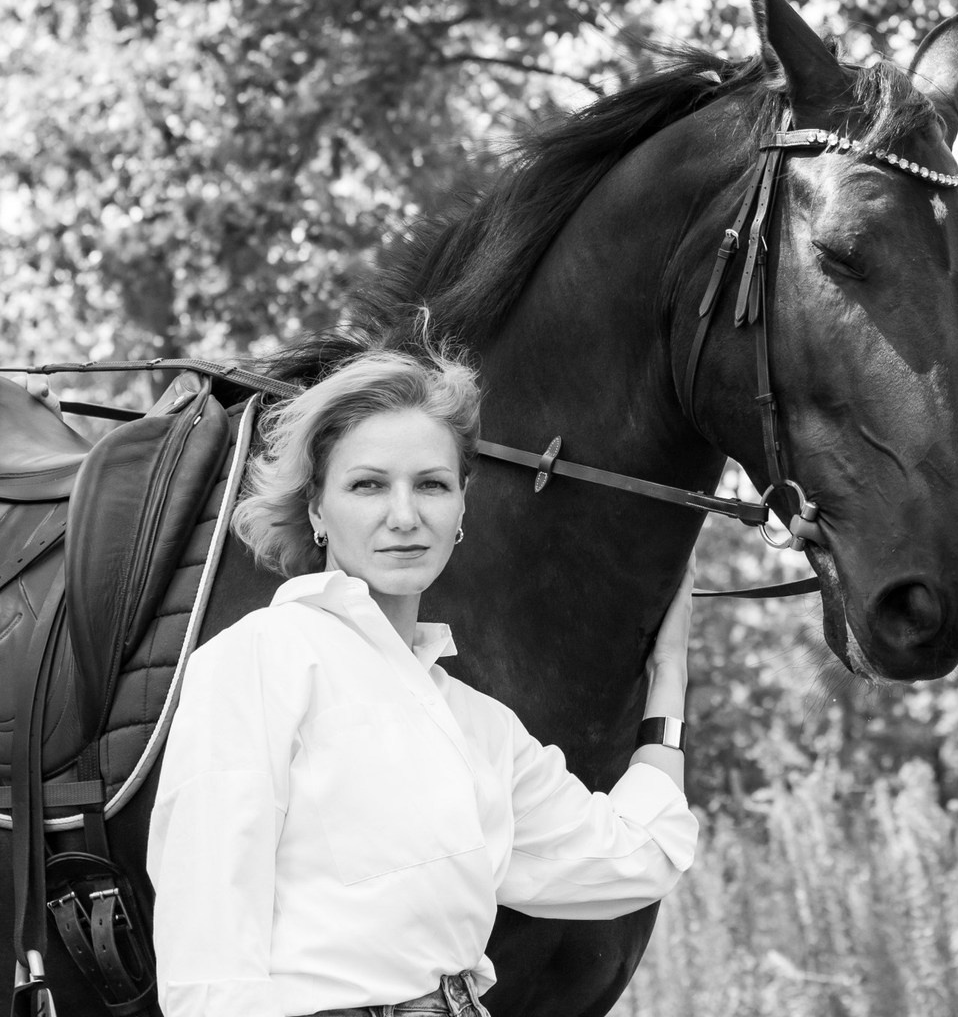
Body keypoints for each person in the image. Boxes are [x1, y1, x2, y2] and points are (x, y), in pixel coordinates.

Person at [144, 334, 698, 1017]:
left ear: (463, 509)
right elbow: (208, 958)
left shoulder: (474, 724)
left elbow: (632, 856)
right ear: (317, 508)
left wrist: (668, 674)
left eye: (431, 485)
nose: (404, 517)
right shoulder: (258, 661)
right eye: (367, 484)